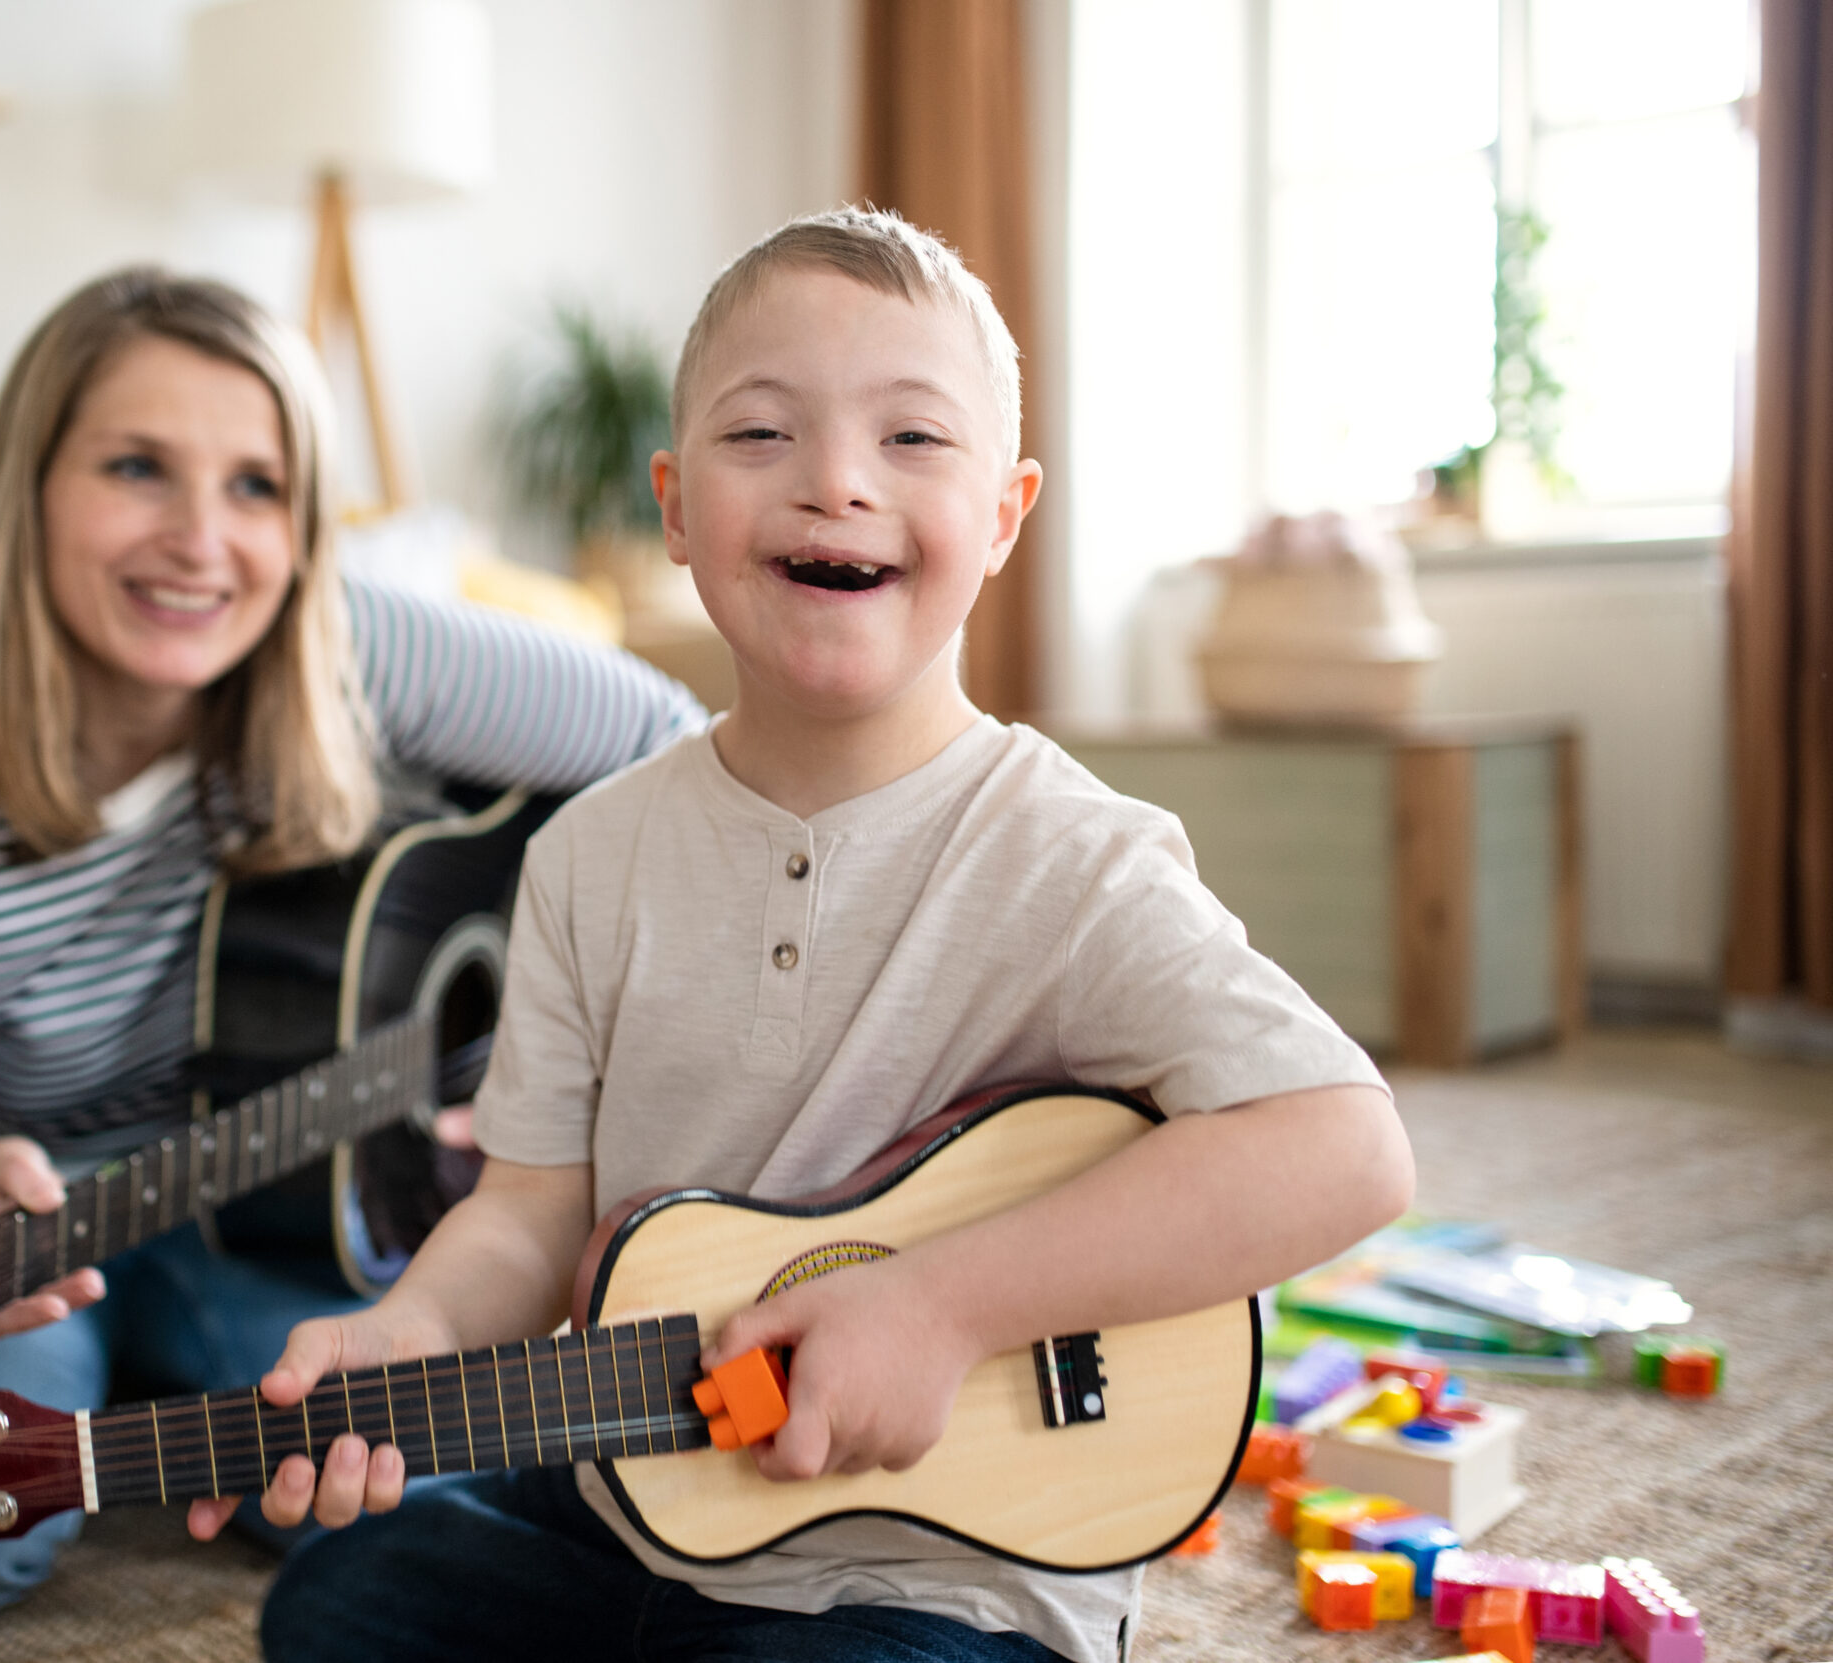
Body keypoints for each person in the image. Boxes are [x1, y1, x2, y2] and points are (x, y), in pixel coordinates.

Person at [198, 208, 1417, 1663]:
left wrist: (938, 1309)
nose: (836, 482)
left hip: (944, 1577)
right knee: (338, 1606)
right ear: (673, 504)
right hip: (646, 1496)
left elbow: (1349, 1144)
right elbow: (530, 1213)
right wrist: (413, 1329)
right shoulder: (589, 853)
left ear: (1009, 514)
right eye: (762, 434)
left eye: (913, 440)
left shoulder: (1073, 858)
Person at [0, 267, 706, 1640]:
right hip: (45, 1249)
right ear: (28, 488)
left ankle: (163, 1390)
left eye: (257, 486)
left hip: (304, 1203)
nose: (203, 540)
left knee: (481, 1495)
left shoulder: (350, 648)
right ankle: (108, 1377)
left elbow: (669, 744)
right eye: (139, 467)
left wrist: (554, 1048)